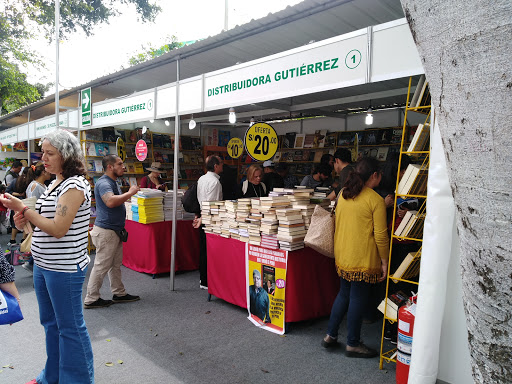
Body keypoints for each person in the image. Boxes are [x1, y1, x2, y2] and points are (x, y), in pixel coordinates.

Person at [0, 129, 94, 383]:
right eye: (43, 152)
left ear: (67, 155)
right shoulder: (55, 182)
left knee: (70, 328)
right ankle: (51, 376)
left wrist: (24, 211)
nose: (44, 158)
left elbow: (59, 229)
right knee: (52, 325)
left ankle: (77, 380)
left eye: (50, 153)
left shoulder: (74, 185)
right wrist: (22, 221)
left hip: (63, 268)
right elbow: (43, 224)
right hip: (44, 264)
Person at [321, 157, 389, 358]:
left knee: (344, 294)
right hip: (362, 258)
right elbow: (381, 236)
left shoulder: (343, 193)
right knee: (358, 298)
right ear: (375, 175)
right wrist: (384, 261)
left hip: (343, 255)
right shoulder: (375, 200)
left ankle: (330, 335)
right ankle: (352, 343)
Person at [84, 154, 140, 309]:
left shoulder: (111, 182)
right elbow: (110, 201)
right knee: (101, 266)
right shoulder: (104, 183)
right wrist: (130, 193)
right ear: (110, 167)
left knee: (115, 265)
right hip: (106, 232)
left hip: (113, 231)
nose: (123, 167)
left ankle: (119, 293)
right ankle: (91, 298)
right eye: (120, 164)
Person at [193, 155, 223, 289]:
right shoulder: (215, 182)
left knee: (203, 249)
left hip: (202, 215)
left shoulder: (202, 178)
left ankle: (203, 279)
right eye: (221, 164)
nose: (222, 166)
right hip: (210, 218)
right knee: (209, 250)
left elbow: (200, 199)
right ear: (216, 166)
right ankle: (206, 281)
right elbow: (213, 204)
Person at [21, 162, 52, 272]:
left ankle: (32, 262)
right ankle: (32, 263)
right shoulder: (36, 186)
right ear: (43, 172)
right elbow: (36, 204)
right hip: (38, 218)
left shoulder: (38, 185)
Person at [6, 166, 30, 246]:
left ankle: (12, 240)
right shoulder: (31, 182)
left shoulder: (16, 180)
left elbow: (7, 191)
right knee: (26, 222)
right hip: (26, 203)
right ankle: (23, 240)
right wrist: (21, 194)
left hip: (15, 203)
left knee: (15, 221)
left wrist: (17, 194)